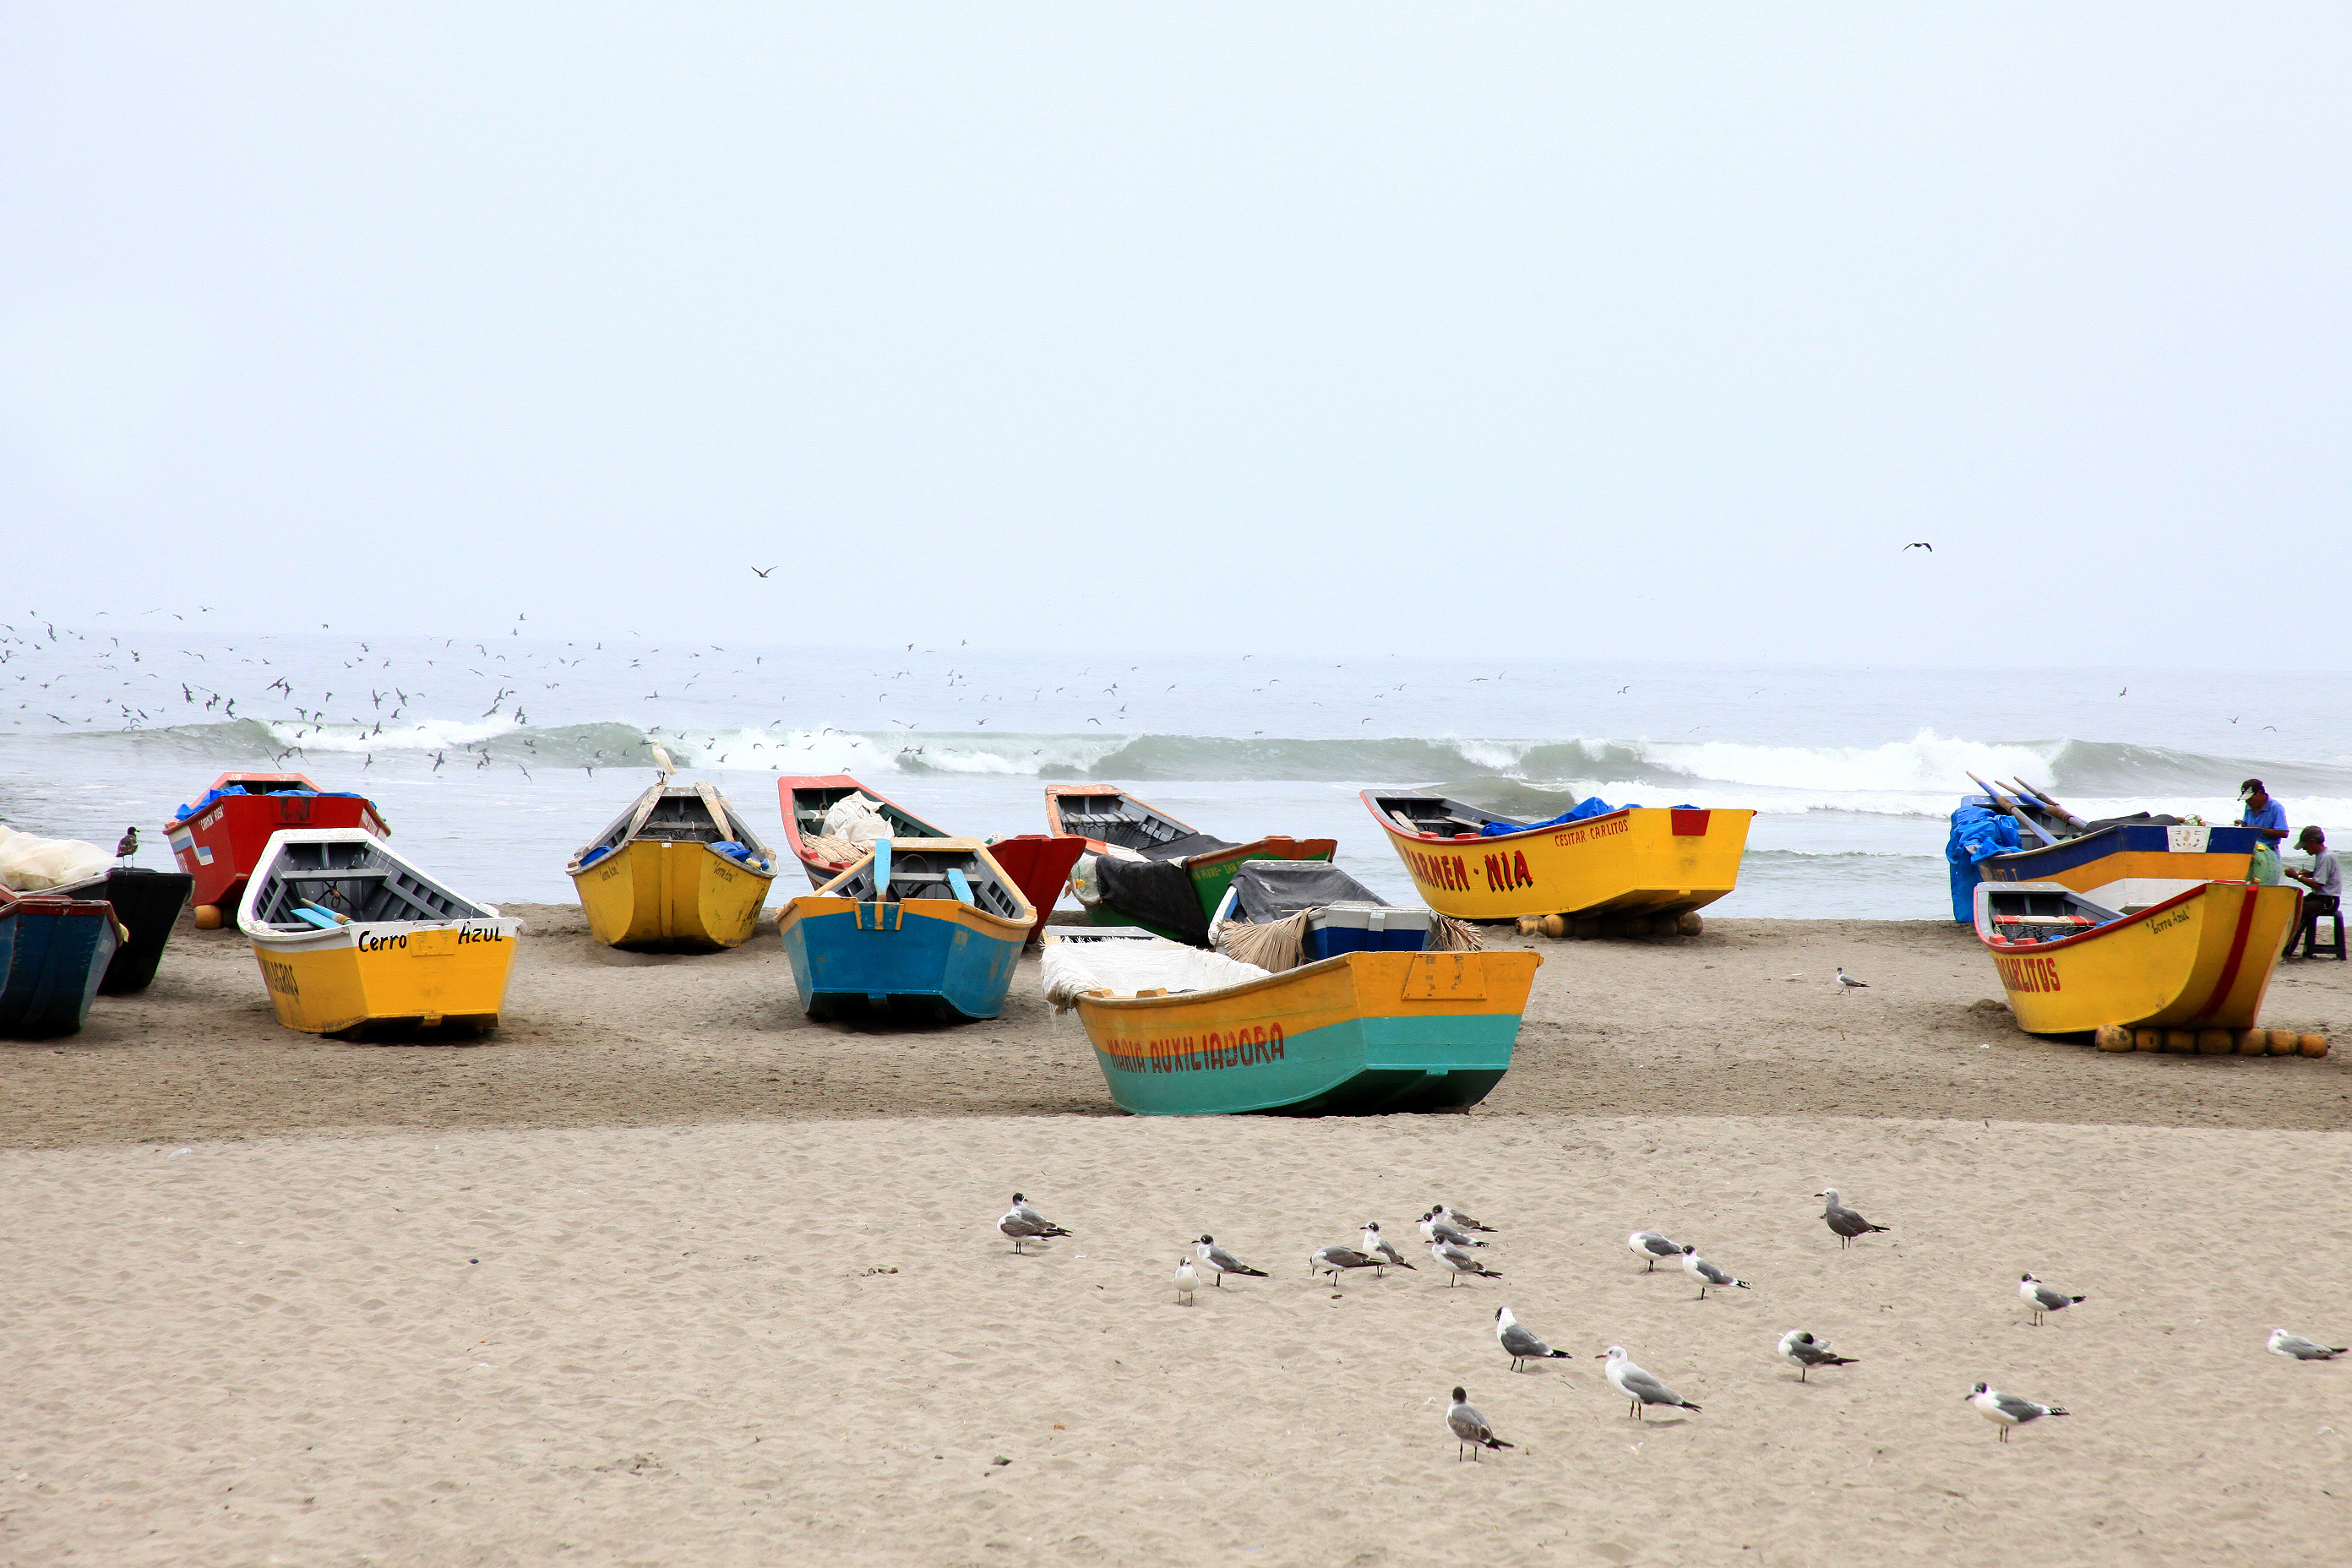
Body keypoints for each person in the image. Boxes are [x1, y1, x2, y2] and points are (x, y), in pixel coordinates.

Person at [2285, 825, 2341, 958]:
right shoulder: (2323, 855)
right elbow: (2323, 876)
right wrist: (2310, 873)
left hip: (2328, 899)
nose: (2305, 849)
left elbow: (2317, 884)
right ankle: (2287, 948)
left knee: (2299, 912)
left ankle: (2287, 949)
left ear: (2312, 842)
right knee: (2293, 907)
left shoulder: (2326, 857)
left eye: (2305, 846)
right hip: (2321, 897)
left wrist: (2297, 877)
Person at [2240, 780, 2290, 850]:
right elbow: (2247, 825)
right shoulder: (2249, 806)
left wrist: (2259, 830)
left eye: (2250, 798)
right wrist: (2241, 824)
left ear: (2259, 793)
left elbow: (2284, 833)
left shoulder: (2275, 807)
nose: (2247, 801)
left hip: (2269, 850)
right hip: (2250, 849)